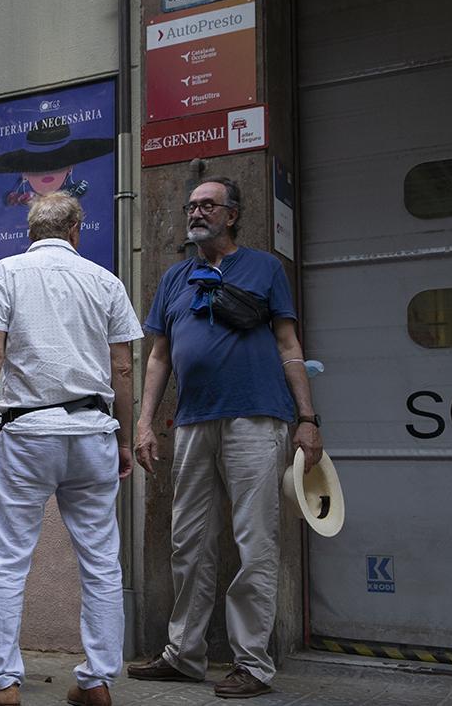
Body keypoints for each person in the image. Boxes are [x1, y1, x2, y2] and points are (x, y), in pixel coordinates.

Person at [128, 177, 323, 699]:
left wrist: (308, 417)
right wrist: (144, 423)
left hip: (257, 418)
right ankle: (184, 654)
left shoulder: (264, 268)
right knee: (188, 541)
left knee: (255, 540)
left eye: (207, 205)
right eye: (191, 205)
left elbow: (288, 343)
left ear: (232, 215)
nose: (196, 212)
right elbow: (159, 356)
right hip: (192, 421)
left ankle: (253, 664)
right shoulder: (174, 277)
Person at [0, 193, 143, 706]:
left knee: (7, 557)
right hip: (93, 431)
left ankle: (2, 682)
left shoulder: (7, 273)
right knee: (102, 560)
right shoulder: (106, 280)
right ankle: (98, 681)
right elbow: (124, 368)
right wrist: (125, 439)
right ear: (76, 230)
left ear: (29, 231)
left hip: (28, 432)